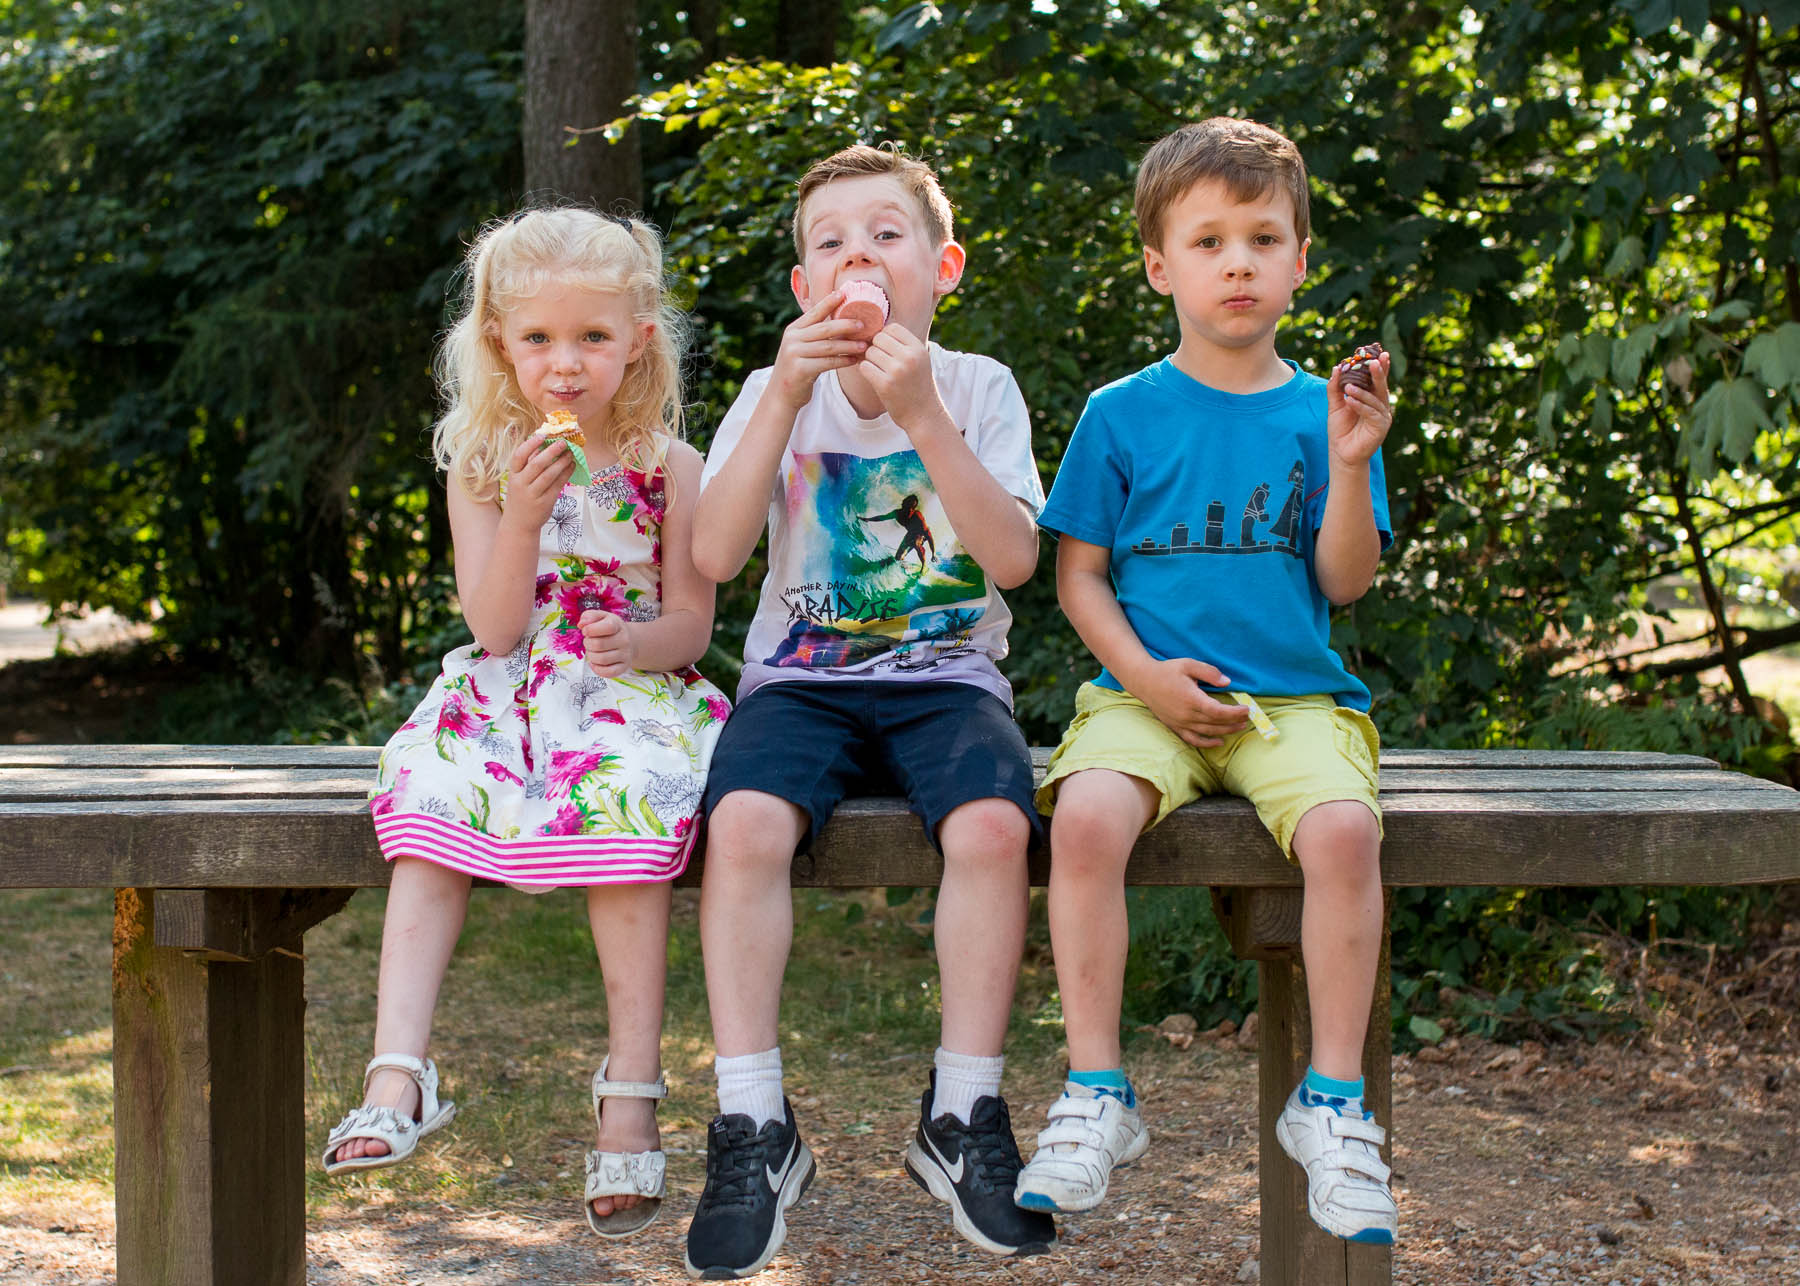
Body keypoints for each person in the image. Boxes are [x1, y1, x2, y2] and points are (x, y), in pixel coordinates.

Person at [1018, 117, 1398, 1246]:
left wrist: (1348, 463)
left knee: (1341, 832)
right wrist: (1144, 675)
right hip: (1145, 697)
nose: (1237, 261)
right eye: (1209, 239)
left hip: (1294, 701)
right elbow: (1076, 576)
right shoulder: (1120, 413)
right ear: (1159, 264)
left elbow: (1344, 580)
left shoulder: (1323, 414)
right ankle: (1097, 1087)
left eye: (1263, 237)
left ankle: (1331, 1102)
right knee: (1082, 817)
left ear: (1300, 260)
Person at [321, 207, 729, 1242]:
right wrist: (515, 512)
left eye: (591, 337)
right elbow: (495, 623)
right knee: (431, 792)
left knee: (628, 803)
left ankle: (631, 1086)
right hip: (508, 690)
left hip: (627, 691)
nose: (564, 362)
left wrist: (638, 647)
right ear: (500, 337)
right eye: (539, 337)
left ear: (638, 337)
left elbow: (690, 623)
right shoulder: (482, 457)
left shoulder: (669, 464)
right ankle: (397, 1070)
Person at [683, 143, 1055, 1279]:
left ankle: (962, 1108)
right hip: (800, 677)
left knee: (994, 828)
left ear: (939, 270)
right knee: (740, 825)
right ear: (803, 289)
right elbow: (710, 551)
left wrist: (923, 413)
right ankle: (753, 1119)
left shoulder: (978, 386)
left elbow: (1013, 559)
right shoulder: (770, 391)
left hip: (947, 678)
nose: (858, 255)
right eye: (830, 241)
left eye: (885, 234)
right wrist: (788, 391)